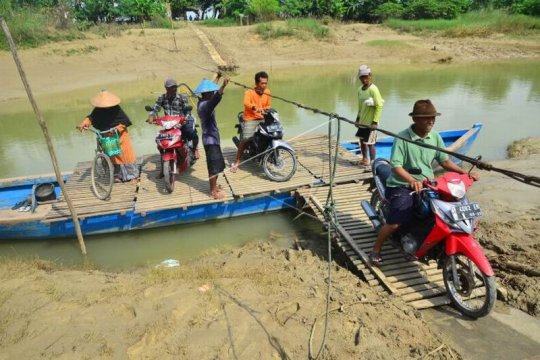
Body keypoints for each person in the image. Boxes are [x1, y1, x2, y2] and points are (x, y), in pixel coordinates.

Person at [369, 99, 479, 265]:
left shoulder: (435, 137)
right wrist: (412, 180)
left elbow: (444, 161)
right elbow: (396, 166)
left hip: (428, 184)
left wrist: (465, 172)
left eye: (433, 118)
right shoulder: (402, 138)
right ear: (415, 119)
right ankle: (376, 248)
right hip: (401, 184)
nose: (431, 121)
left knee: (444, 212)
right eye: (426, 118)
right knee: (396, 222)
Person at [77, 90, 138, 183]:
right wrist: (84, 124)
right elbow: (91, 118)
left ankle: (132, 175)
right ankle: (117, 175)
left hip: (120, 136)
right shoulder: (98, 110)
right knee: (112, 155)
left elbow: (125, 122)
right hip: (107, 135)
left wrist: (117, 129)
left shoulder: (117, 110)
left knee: (125, 155)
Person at [148, 77, 200, 163]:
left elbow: (187, 110)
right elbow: (155, 109)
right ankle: (163, 164)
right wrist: (151, 116)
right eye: (171, 87)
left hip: (181, 122)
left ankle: (194, 150)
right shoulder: (161, 98)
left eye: (175, 87)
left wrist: (185, 119)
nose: (174, 89)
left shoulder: (182, 97)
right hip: (169, 125)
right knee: (159, 141)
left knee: (192, 134)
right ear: (166, 88)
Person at [194, 74, 229, 200]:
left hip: (213, 138)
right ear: (207, 94)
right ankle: (213, 191)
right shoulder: (205, 106)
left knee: (217, 165)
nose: (213, 93)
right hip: (210, 140)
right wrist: (223, 86)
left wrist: (217, 78)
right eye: (211, 92)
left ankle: (214, 187)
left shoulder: (203, 101)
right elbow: (215, 99)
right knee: (213, 166)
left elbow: (211, 93)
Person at [231, 71, 271, 173]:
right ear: (257, 83)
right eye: (262, 83)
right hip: (251, 118)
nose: (264, 85)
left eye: (266, 83)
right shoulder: (249, 92)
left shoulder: (268, 92)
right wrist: (255, 108)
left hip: (262, 118)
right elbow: (246, 103)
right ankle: (236, 161)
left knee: (273, 131)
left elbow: (268, 105)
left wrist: (266, 110)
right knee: (246, 137)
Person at [355, 65, 383, 167]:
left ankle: (373, 163)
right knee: (362, 141)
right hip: (362, 121)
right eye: (362, 77)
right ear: (359, 78)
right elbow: (359, 105)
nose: (364, 79)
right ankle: (364, 159)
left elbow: (379, 105)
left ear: (370, 76)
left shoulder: (373, 89)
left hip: (371, 123)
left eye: (366, 77)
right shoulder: (359, 90)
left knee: (370, 143)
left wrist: (375, 122)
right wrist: (358, 118)